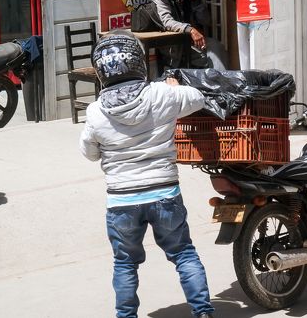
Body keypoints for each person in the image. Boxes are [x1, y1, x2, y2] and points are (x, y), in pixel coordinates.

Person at [80, 31, 215, 318]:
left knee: (125, 263)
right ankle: (202, 312)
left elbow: (90, 153)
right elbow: (198, 97)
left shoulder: (95, 112)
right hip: (164, 193)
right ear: (138, 62)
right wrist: (174, 86)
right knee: (183, 253)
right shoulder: (161, 93)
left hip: (121, 201)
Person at [151, 0, 227, 70]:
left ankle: (222, 82)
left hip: (191, 42)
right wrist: (190, 30)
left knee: (216, 47)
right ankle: (222, 82)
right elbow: (167, 22)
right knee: (213, 52)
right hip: (175, 48)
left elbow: (206, 20)